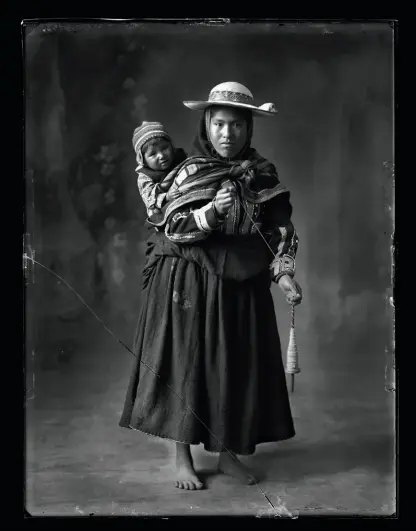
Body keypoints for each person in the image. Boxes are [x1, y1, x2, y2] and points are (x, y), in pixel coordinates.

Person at [119, 82, 303, 491]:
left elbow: (277, 232)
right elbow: (172, 226)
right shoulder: (187, 172)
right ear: (207, 123)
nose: (227, 134)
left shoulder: (262, 173)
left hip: (241, 286)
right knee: (187, 365)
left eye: (237, 125)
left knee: (234, 367)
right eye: (219, 124)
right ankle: (182, 456)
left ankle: (226, 455)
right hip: (189, 281)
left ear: (248, 128)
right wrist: (211, 214)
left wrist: (284, 272)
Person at [132, 121, 187, 218]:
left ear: (171, 146)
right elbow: (149, 198)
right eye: (153, 154)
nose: (161, 156)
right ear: (143, 160)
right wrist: (166, 197)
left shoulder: (182, 159)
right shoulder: (144, 177)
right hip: (163, 212)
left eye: (165, 148)